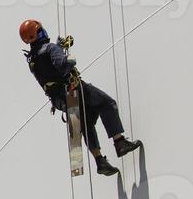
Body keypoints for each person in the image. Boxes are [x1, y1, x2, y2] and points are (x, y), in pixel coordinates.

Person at [19, 18, 142, 177]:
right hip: (74, 89)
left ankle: (100, 161)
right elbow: (63, 66)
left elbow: (48, 69)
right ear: (39, 33)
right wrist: (68, 56)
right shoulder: (50, 49)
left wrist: (58, 49)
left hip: (61, 101)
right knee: (107, 103)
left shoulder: (32, 60)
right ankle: (120, 143)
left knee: (86, 122)